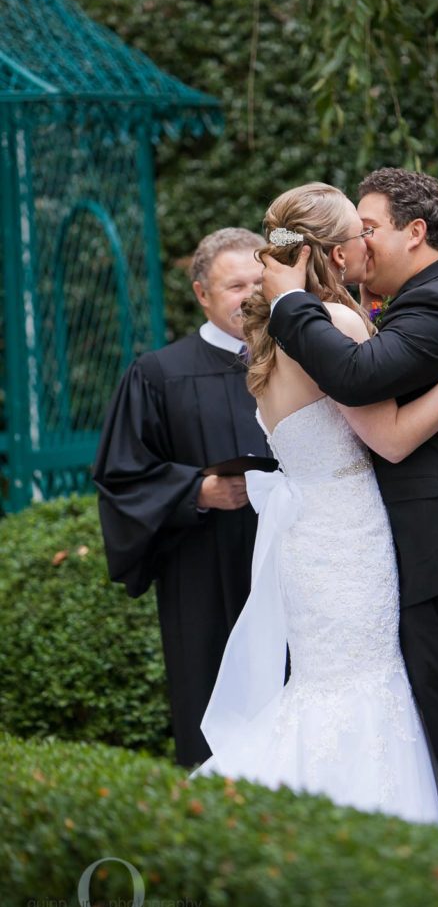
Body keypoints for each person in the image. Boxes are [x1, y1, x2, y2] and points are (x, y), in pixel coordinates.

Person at [194, 181, 438, 824]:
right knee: (367, 690)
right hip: (353, 537)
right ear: (336, 255)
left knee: (323, 689)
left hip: (308, 538)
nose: (367, 242)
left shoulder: (267, 340)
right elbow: (389, 439)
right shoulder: (333, 323)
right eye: (358, 232)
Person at [260, 169, 438, 838]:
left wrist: (285, 302)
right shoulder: (425, 301)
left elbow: (358, 377)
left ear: (415, 233)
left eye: (370, 230)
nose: (358, 245)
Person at [93, 227, 270, 767]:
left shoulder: (298, 359)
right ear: (201, 294)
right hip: (201, 567)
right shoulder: (159, 373)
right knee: (210, 693)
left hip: (285, 557)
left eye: (259, 281)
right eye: (235, 284)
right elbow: (121, 476)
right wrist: (196, 491)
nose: (250, 295)